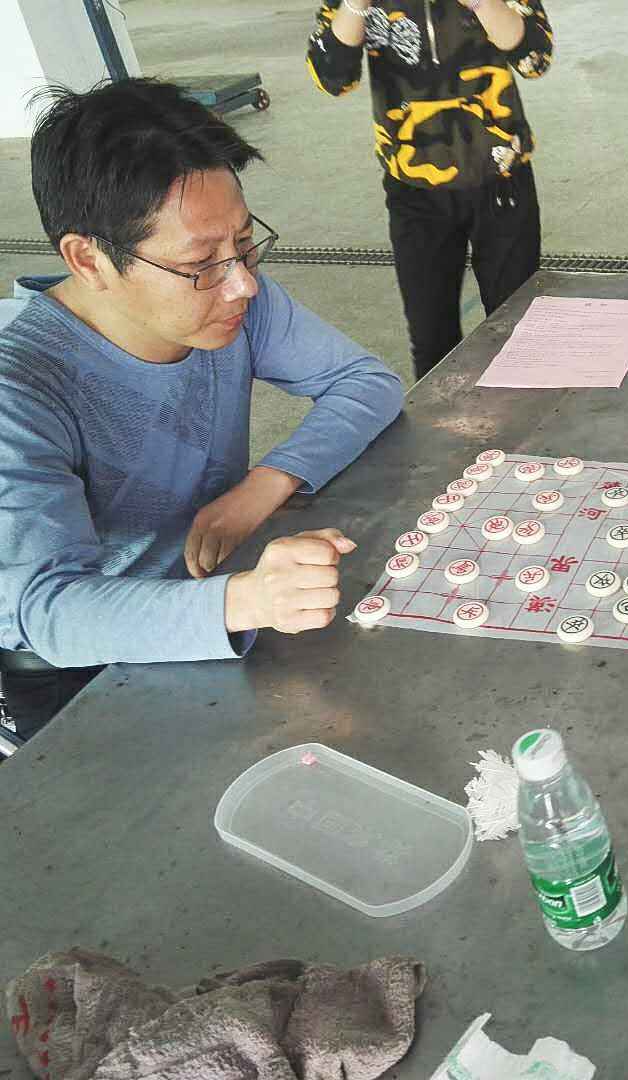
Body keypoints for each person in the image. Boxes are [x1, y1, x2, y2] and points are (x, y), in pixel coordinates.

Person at [0, 79, 405, 751]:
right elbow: (48, 610)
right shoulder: (20, 387)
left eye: (244, 243)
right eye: (200, 263)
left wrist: (263, 486)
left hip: (218, 590)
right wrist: (249, 600)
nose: (243, 283)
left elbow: (366, 382)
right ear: (88, 258)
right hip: (79, 666)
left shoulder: (235, 297)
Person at [306, 0, 554, 381]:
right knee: (433, 343)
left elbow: (534, 59)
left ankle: (526, 417)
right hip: (414, 190)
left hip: (501, 181)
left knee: (520, 333)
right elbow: (332, 77)